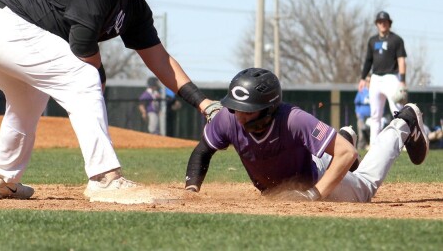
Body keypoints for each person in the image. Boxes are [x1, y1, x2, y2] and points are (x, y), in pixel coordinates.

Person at [0, 0, 220, 200]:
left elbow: (160, 59)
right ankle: (104, 178)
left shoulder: (133, 5)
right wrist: (99, 77)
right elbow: (82, 48)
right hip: (5, 26)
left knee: (27, 104)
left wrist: (204, 103)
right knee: (83, 76)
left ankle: (1, 178)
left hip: (5, 33)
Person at [184, 68, 429, 203]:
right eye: (237, 109)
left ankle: (405, 122)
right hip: (304, 165)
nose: (239, 116)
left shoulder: (293, 119)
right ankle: (339, 137)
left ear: (269, 109)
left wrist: (312, 194)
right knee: (326, 154)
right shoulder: (227, 117)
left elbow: (347, 154)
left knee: (364, 187)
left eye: (248, 112)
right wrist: (191, 190)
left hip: (313, 179)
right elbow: (202, 151)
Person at [358, 11, 407, 146]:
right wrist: (363, 78)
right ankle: (374, 145)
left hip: (392, 77)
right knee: (375, 115)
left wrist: (402, 81)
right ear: (377, 24)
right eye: (380, 22)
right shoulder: (372, 41)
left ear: (389, 23)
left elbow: (401, 60)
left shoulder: (396, 40)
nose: (382, 24)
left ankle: (402, 142)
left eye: (384, 21)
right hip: (376, 78)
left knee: (397, 111)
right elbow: (368, 61)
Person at [353, 76, 371, 150]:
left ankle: (369, 147)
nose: (368, 83)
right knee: (361, 134)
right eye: (367, 81)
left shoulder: (374, 91)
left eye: (370, 81)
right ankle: (360, 149)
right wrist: (357, 113)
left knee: (371, 133)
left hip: (372, 117)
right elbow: (356, 103)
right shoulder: (361, 91)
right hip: (362, 116)